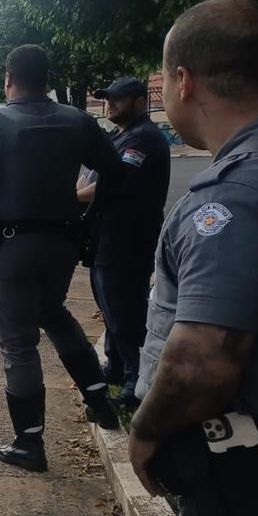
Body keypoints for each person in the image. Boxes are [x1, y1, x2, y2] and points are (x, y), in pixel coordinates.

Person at [128, 0, 258, 516]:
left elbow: (202, 361)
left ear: (184, 81)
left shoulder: (231, 197)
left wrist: (147, 430)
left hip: (244, 493)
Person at [0, 44, 123, 473]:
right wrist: (86, 217)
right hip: (63, 243)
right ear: (46, 79)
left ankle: (29, 444)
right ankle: (100, 401)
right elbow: (114, 173)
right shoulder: (78, 121)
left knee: (18, 341)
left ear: (8, 79)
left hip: (12, 245)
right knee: (53, 313)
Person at [77, 77, 171, 407]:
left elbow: (115, 182)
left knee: (125, 310)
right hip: (108, 236)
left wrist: (71, 196)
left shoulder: (143, 138)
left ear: (140, 100)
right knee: (110, 306)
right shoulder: (122, 136)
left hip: (128, 238)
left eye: (118, 98)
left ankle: (135, 380)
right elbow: (95, 172)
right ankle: (116, 367)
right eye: (107, 98)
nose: (110, 103)